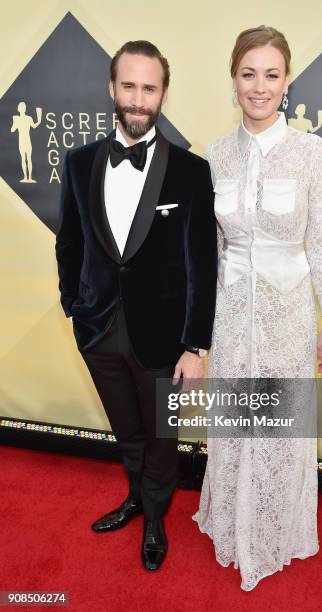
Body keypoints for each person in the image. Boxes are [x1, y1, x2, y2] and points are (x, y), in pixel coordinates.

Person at [55, 40, 217, 571]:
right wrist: (74, 308)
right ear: (112, 88)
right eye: (129, 86)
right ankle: (133, 496)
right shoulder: (78, 164)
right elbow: (70, 243)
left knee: (162, 437)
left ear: (163, 93)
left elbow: (201, 265)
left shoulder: (191, 172)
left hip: (163, 337)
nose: (138, 99)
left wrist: (195, 345)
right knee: (126, 430)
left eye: (150, 88)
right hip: (99, 328)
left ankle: (154, 515)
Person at [192, 26, 322, 591]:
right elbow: (207, 247)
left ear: (287, 81)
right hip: (230, 312)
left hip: (287, 315)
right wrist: (197, 330)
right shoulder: (215, 153)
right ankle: (233, 523)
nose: (259, 86)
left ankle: (277, 529)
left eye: (271, 74)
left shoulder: (311, 151)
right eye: (248, 73)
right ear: (233, 79)